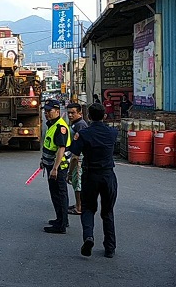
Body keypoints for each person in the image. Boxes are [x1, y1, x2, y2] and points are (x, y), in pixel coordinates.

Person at [68, 103, 118, 258]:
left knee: (88, 208)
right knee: (108, 211)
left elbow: (75, 153)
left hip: (90, 175)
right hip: (108, 175)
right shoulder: (112, 132)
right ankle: (110, 247)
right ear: (104, 116)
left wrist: (70, 174)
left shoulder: (84, 134)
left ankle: (88, 236)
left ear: (88, 116)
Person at [41, 99, 71, 234]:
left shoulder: (60, 127)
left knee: (59, 195)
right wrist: (44, 160)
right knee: (56, 194)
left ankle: (61, 225)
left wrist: (54, 168)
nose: (47, 113)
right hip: (51, 166)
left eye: (49, 111)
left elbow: (61, 149)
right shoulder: (52, 125)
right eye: (45, 111)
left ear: (57, 111)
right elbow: (49, 146)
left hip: (58, 168)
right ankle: (61, 219)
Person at [66, 103, 89, 216]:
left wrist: (69, 172)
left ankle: (79, 207)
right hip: (74, 155)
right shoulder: (75, 124)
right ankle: (77, 204)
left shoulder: (80, 125)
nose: (70, 115)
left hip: (79, 157)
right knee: (76, 182)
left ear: (80, 113)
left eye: (73, 113)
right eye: (69, 112)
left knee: (77, 181)